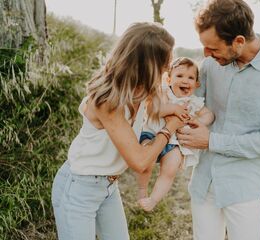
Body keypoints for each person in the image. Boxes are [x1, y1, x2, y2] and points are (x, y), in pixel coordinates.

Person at [176, 0, 260, 239]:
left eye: (213, 48)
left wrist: (211, 141)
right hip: (204, 182)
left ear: (239, 42)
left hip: (244, 188)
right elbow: (190, 108)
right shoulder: (210, 65)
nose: (206, 55)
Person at [51, 22, 184, 240]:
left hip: (109, 186)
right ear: (147, 64)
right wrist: (170, 128)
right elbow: (140, 162)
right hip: (79, 187)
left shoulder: (144, 91)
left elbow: (168, 104)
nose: (168, 67)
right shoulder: (106, 100)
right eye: (165, 61)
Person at [137, 57, 215, 212]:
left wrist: (198, 120)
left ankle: (153, 199)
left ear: (197, 84)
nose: (185, 81)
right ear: (169, 78)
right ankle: (142, 189)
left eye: (191, 78)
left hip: (175, 143)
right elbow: (153, 110)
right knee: (147, 161)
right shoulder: (164, 93)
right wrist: (173, 108)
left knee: (170, 170)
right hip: (153, 134)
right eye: (179, 76)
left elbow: (209, 115)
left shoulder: (194, 102)